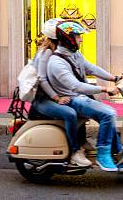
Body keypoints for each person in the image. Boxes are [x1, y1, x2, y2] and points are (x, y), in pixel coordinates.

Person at [47, 21, 123, 172]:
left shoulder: (74, 54)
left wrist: (114, 78)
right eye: (77, 37)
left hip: (80, 97)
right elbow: (76, 86)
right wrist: (104, 89)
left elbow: (91, 68)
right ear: (68, 38)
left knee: (107, 116)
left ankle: (118, 152)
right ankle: (103, 154)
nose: (80, 40)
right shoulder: (56, 62)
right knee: (109, 113)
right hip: (71, 99)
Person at [30, 18, 91, 167]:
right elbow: (42, 80)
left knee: (83, 104)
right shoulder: (47, 53)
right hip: (42, 100)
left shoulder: (59, 51)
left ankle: (82, 140)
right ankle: (75, 151)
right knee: (70, 114)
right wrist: (56, 98)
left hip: (51, 97)